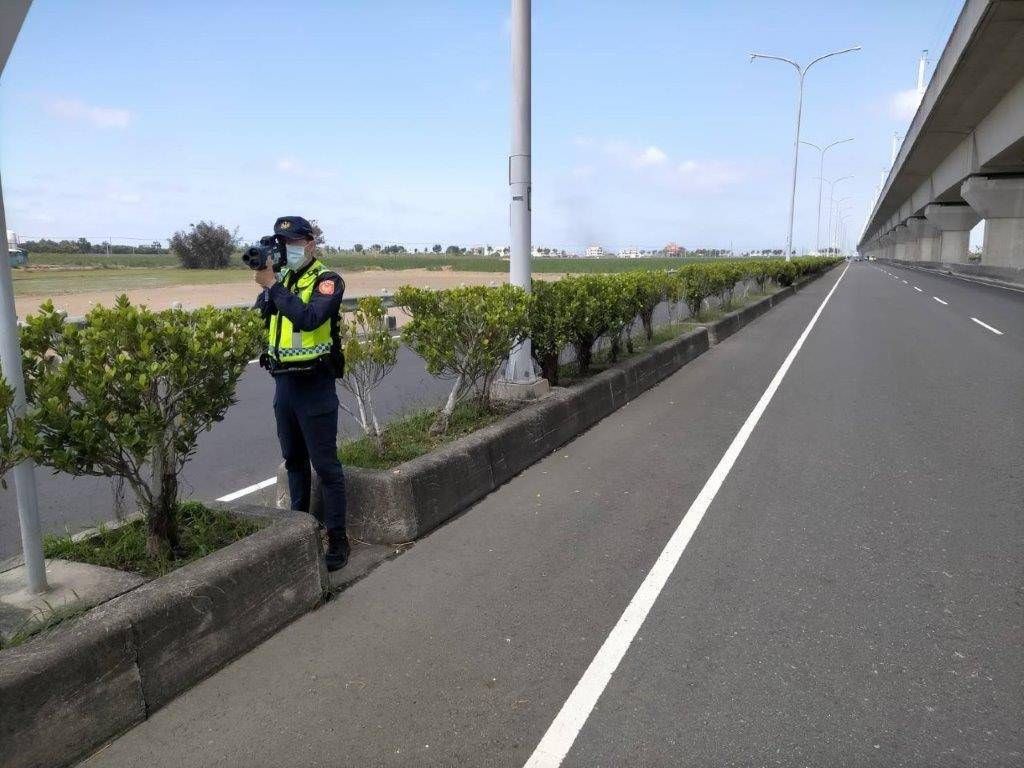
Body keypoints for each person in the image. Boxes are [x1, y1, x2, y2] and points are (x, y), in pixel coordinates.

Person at [254, 215, 349, 571]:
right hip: (284, 385)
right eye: (283, 244)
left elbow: (310, 319)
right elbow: (265, 313)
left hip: (314, 384)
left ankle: (338, 540)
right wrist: (270, 284)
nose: (287, 249)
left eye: (293, 243)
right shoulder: (284, 279)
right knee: (294, 462)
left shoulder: (327, 280)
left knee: (325, 467)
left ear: (310, 244)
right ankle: (300, 533)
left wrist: (274, 286)